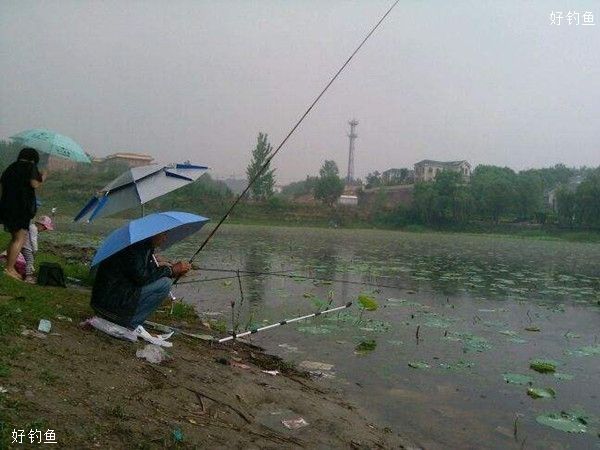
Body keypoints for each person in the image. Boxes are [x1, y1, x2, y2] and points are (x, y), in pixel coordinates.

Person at [90, 232, 191, 332]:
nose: (165, 238)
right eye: (163, 234)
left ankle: (127, 319)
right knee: (165, 284)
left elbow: (142, 271)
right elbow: (142, 278)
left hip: (107, 299)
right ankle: (131, 324)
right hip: (110, 302)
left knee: (163, 280)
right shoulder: (136, 248)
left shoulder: (141, 246)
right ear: (153, 233)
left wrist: (170, 270)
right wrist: (170, 270)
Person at [0, 148, 46, 281]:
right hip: (21, 207)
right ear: (33, 158)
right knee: (20, 238)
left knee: (14, 237)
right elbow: (34, 184)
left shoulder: (10, 168)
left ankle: (10, 267)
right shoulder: (30, 167)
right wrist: (43, 176)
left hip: (7, 206)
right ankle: (9, 269)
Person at [21, 215, 54, 283]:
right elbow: (33, 239)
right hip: (27, 248)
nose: (44, 230)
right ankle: (28, 277)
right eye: (44, 228)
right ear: (40, 224)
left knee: (28, 261)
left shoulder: (32, 227)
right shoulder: (34, 229)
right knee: (30, 261)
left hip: (26, 247)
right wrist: (35, 249)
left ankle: (26, 273)